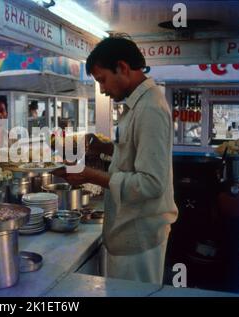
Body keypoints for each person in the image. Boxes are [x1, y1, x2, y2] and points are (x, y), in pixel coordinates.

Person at [52, 36, 178, 284]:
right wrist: (105, 148)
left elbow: (151, 184)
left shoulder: (150, 108)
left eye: (102, 80)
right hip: (128, 231)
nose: (102, 90)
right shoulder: (138, 105)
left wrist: (92, 176)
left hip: (140, 234)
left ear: (122, 67)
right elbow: (133, 155)